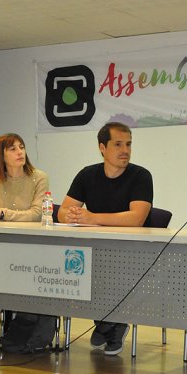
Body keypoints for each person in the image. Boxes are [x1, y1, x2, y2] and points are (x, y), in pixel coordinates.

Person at [58, 122, 153, 355]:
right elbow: (61, 212)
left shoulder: (140, 176)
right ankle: (104, 322)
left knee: (109, 269)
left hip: (130, 251)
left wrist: (92, 218)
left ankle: (114, 323)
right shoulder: (87, 174)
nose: (125, 150)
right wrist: (73, 215)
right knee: (74, 267)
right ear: (102, 147)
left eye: (129, 144)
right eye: (118, 144)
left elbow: (137, 218)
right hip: (95, 249)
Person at [0, 133, 55, 353]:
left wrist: (1, 214)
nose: (20, 152)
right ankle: (16, 328)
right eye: (13, 149)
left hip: (35, 249)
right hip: (4, 247)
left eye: (22, 147)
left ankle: (30, 329)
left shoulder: (39, 177)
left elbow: (38, 214)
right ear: (1, 155)